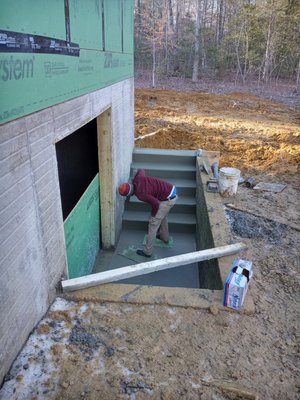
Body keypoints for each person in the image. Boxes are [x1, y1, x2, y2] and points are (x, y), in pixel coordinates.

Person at [118, 169, 177, 258]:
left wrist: (153, 216)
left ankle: (147, 252)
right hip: (170, 190)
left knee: (153, 224)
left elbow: (155, 203)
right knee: (162, 216)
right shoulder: (138, 178)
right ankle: (164, 238)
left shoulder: (140, 194)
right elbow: (141, 170)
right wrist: (134, 177)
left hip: (167, 200)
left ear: (129, 194)